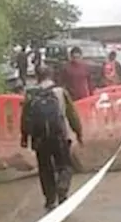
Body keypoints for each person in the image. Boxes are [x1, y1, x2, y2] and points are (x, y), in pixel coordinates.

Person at [21, 64, 84, 210]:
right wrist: (78, 132)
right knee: (65, 165)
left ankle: (50, 199)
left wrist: (24, 137)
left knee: (45, 168)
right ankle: (62, 188)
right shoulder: (60, 92)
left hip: (39, 138)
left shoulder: (30, 93)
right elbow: (72, 114)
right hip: (59, 135)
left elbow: (25, 117)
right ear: (51, 76)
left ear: (37, 77)